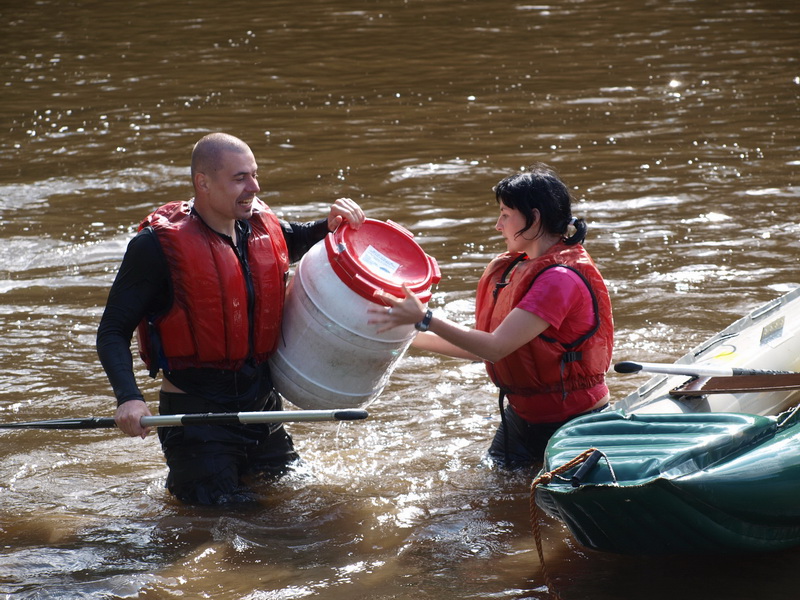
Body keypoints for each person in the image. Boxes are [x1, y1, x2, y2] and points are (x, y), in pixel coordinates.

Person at [97, 132, 365, 504]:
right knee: (227, 522)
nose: (253, 186)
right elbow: (112, 330)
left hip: (262, 409)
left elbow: (298, 238)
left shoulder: (260, 226)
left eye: (254, 175)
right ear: (202, 183)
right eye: (240, 178)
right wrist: (128, 398)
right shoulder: (155, 247)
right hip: (196, 418)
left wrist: (330, 225)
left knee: (301, 507)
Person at [370, 163, 613, 468]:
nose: (499, 225)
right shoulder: (517, 267)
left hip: (572, 424)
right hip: (521, 418)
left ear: (534, 217)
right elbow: (480, 347)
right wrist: (408, 336)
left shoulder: (559, 279)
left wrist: (425, 317)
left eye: (505, 214)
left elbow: (495, 348)